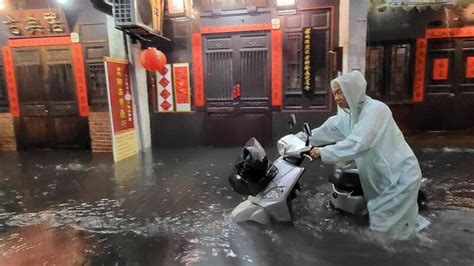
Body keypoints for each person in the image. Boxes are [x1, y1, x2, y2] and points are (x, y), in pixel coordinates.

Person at [304, 70, 429, 239]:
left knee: (384, 231)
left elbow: (359, 143)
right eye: (334, 93)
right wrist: (300, 139)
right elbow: (327, 130)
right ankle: (411, 244)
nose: (337, 98)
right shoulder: (349, 117)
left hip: (399, 176)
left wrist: (323, 152)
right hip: (379, 178)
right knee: (396, 226)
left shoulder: (376, 110)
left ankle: (404, 255)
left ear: (353, 89)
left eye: (340, 92)